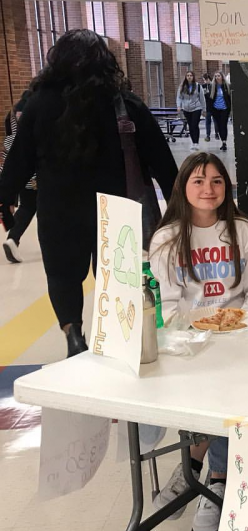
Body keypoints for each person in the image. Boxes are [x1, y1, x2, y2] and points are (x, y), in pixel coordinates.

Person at [0, 29, 178, 357]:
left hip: (59, 211)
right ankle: (118, 341)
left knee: (63, 276)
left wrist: (5, 201)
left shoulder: (39, 104)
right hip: (116, 211)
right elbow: (162, 161)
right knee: (117, 278)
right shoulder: (125, 104)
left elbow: (18, 163)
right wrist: (178, 207)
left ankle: (73, 334)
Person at [148, 151, 248, 531]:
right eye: (198, 181)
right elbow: (166, 306)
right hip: (186, 344)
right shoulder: (167, 239)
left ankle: (213, 478)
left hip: (240, 339)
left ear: (227, 187)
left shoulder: (244, 232)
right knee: (202, 394)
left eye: (217, 181)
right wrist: (199, 332)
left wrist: (239, 323)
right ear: (182, 187)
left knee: (234, 390)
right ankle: (194, 469)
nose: (208, 189)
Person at [1, 91, 35, 263]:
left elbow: (9, 150)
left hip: (19, 171)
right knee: (44, 208)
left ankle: (13, 238)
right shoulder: (36, 111)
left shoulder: (11, 117)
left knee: (28, 206)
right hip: (36, 172)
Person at [176, 71, 204, 150]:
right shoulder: (182, 86)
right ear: (185, 77)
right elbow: (179, 97)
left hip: (196, 108)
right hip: (186, 109)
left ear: (193, 77)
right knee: (191, 126)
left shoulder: (198, 86)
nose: (189, 77)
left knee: (195, 125)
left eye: (191, 75)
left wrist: (204, 109)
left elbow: (202, 98)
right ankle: (193, 142)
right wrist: (179, 106)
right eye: (187, 75)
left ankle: (196, 143)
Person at [209, 71, 231, 152]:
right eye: (215, 76)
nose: (217, 77)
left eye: (218, 76)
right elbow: (210, 99)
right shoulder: (212, 86)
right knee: (218, 126)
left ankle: (224, 142)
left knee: (223, 125)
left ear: (222, 77)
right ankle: (222, 140)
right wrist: (210, 109)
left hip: (224, 109)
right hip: (215, 109)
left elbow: (229, 98)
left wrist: (230, 109)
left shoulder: (226, 86)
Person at [200, 73, 215, 142]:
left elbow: (213, 96)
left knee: (216, 121)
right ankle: (208, 135)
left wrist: (208, 94)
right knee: (207, 121)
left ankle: (217, 133)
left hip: (214, 106)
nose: (205, 81)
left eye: (206, 79)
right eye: (204, 80)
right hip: (207, 107)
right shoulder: (203, 86)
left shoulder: (213, 86)